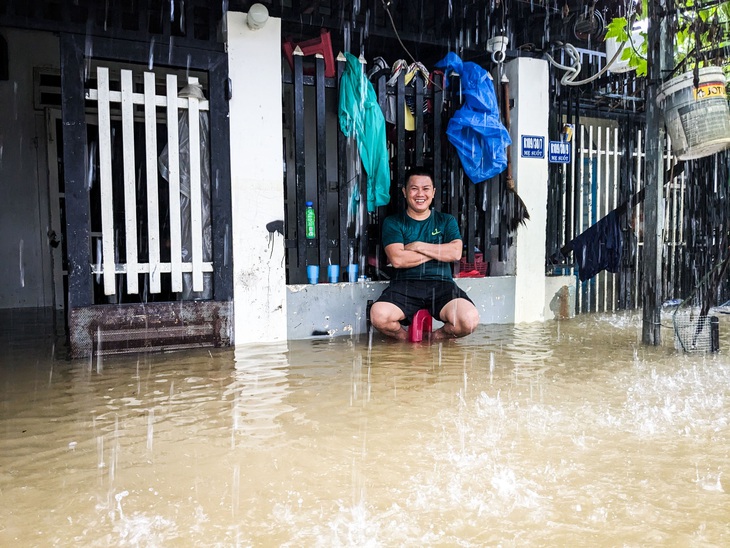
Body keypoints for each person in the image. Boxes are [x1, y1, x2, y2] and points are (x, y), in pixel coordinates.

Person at [369, 167, 480, 341]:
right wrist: (440, 250)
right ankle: (406, 340)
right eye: (414, 188)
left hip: (442, 285)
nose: (420, 194)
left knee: (469, 321)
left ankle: (434, 338)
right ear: (405, 192)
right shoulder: (394, 222)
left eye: (426, 188)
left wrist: (418, 246)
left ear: (433, 192)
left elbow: (456, 253)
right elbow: (398, 259)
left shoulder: (446, 221)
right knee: (379, 316)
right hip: (405, 285)